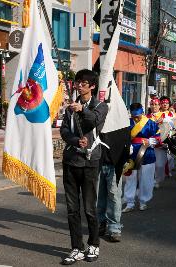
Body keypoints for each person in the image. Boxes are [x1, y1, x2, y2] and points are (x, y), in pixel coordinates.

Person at [60, 69, 108, 264]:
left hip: (90, 162)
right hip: (71, 161)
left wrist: (82, 110)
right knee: (72, 209)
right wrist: (73, 140)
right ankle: (76, 248)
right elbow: (63, 130)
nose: (79, 85)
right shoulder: (71, 107)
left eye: (84, 83)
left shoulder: (101, 106)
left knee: (89, 207)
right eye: (78, 82)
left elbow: (94, 120)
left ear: (92, 86)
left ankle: (93, 244)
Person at [122, 103, 159, 212]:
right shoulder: (127, 123)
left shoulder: (151, 123)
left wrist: (152, 141)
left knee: (146, 178)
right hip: (131, 153)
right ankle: (129, 202)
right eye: (134, 117)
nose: (136, 119)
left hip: (147, 152)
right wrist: (126, 146)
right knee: (130, 178)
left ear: (142, 112)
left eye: (138, 116)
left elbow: (158, 137)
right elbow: (122, 137)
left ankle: (143, 201)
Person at [97, 123, 131, 243]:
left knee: (114, 196)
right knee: (98, 196)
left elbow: (127, 140)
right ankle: (100, 222)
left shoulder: (119, 120)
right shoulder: (96, 114)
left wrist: (125, 159)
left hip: (114, 164)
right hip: (97, 163)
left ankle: (114, 228)